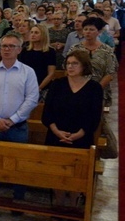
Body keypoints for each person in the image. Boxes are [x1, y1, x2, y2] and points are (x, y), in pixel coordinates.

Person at [0, 33, 39, 208]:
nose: (7, 49)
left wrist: (12, 120)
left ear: (19, 49)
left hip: (18, 126)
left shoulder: (28, 72)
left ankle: (18, 199)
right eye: (4, 46)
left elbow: (32, 99)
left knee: (18, 164)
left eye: (11, 46)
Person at [42, 51, 103, 212]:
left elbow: (95, 117)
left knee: (77, 175)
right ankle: (59, 203)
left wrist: (79, 134)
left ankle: (73, 205)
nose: (70, 66)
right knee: (57, 173)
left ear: (84, 66)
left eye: (74, 63)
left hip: (81, 138)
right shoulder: (57, 84)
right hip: (56, 136)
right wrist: (57, 131)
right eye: (68, 63)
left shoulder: (94, 88)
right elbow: (47, 113)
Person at [69, 17, 117, 108]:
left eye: (91, 29)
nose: (88, 32)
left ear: (98, 32)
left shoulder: (106, 50)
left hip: (99, 90)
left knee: (96, 119)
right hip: (77, 89)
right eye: (85, 29)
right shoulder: (75, 48)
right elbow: (68, 68)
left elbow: (110, 73)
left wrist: (96, 89)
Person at [18, 24, 57, 100]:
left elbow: (51, 73)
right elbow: (20, 70)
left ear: (43, 35)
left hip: (44, 86)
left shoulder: (50, 52)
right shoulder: (25, 51)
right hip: (27, 85)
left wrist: (38, 88)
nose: (33, 35)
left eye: (36, 33)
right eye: (31, 32)